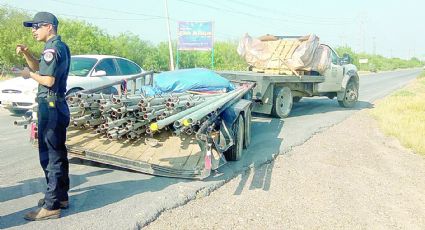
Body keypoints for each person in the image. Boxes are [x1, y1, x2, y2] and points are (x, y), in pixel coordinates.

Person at [15, 12, 71, 221]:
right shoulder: (58, 46)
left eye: (36, 26)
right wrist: (27, 54)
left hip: (51, 106)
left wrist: (28, 75)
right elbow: (40, 67)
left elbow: (47, 80)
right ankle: (60, 197)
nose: (33, 30)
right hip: (56, 105)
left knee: (50, 156)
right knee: (58, 153)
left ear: (49, 27)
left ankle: (51, 206)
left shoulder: (52, 48)